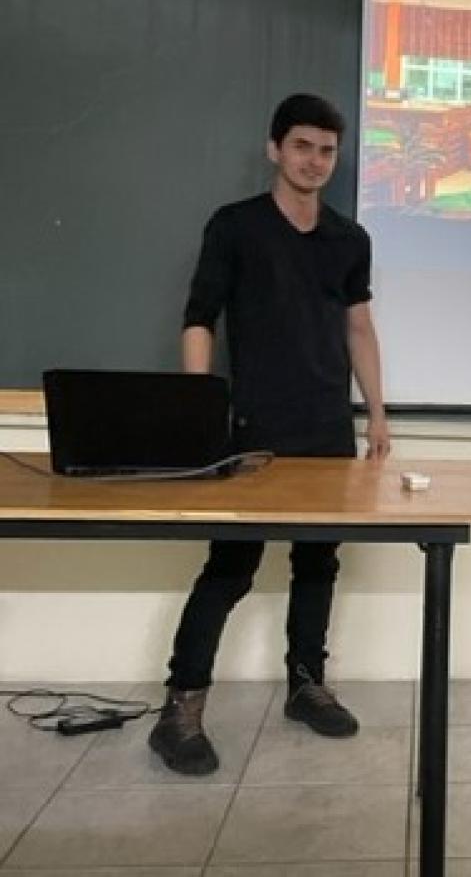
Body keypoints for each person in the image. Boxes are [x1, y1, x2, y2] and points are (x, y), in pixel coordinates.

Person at [148, 94, 391, 776]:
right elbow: (200, 317)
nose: (315, 161)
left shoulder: (349, 239)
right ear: (275, 150)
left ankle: (306, 686)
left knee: (317, 564)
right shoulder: (235, 227)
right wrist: (198, 408)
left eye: (327, 150)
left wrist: (376, 412)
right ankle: (180, 710)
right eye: (302, 146)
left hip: (327, 428)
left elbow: (359, 328)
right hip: (251, 427)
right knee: (230, 569)